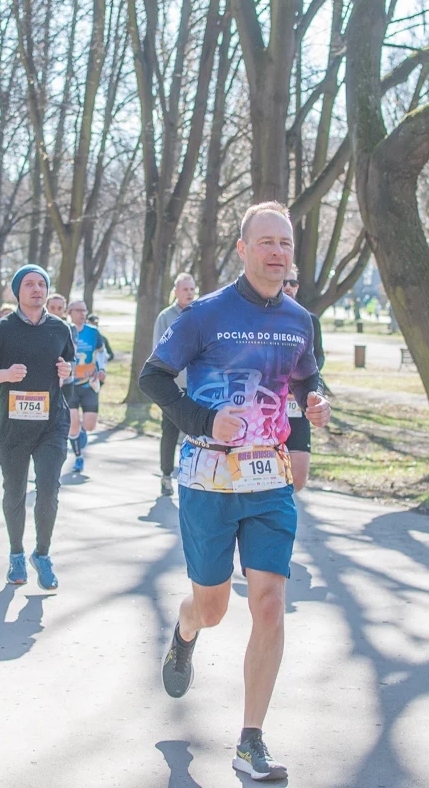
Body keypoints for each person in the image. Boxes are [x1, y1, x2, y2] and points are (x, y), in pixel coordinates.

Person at [140, 202, 329, 782]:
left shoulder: (301, 318)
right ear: (242, 249)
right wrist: (200, 421)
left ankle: (251, 740)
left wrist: (316, 398)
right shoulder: (204, 315)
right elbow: (152, 376)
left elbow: (305, 373)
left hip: (269, 479)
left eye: (286, 245)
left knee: (269, 602)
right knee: (214, 607)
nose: (277, 253)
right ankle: (186, 629)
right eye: (266, 242)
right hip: (209, 480)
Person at [0, 265, 74, 589]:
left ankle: (42, 554)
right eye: (29, 284)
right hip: (15, 428)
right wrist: (2, 375)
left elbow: (68, 370)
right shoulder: (2, 329)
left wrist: (68, 371)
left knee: (48, 491)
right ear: (18, 291)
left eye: (42, 284)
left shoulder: (60, 329)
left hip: (51, 424)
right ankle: (16, 554)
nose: (37, 289)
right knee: (14, 492)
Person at [280, 268, 326, 491]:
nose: (288, 286)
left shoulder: (309, 321)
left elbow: (317, 360)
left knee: (297, 479)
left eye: (293, 282)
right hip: (266, 408)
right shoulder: (258, 320)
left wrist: (311, 392)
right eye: (283, 281)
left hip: (296, 406)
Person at [153, 273, 198, 496]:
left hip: (198, 384)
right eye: (185, 289)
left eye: (192, 289)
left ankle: (193, 475)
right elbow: (158, 350)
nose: (189, 293)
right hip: (173, 385)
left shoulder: (201, 313)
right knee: (169, 431)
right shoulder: (165, 317)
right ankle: (166, 475)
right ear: (176, 292)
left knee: (196, 432)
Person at [65, 299, 107, 473]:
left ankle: (80, 431)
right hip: (70, 384)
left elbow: (102, 353)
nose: (82, 314)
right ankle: (78, 457)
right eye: (78, 310)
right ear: (70, 312)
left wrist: (102, 369)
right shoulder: (64, 330)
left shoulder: (93, 332)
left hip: (89, 383)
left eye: (84, 310)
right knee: (73, 422)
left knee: (89, 426)